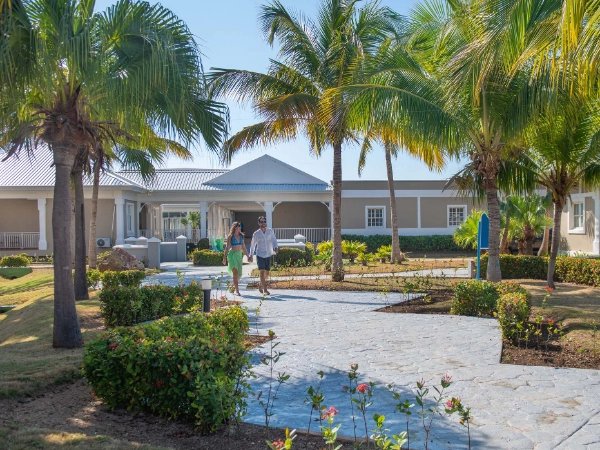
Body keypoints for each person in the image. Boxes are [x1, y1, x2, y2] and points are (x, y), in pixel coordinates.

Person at [250, 216, 278, 295]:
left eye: (264, 222)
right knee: (262, 271)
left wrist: (276, 247)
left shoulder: (270, 231)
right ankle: (265, 289)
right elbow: (252, 245)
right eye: (261, 222)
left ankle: (260, 285)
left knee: (267, 273)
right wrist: (251, 255)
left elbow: (274, 240)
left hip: (268, 254)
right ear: (259, 223)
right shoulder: (256, 234)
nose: (263, 223)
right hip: (260, 254)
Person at [222, 221, 251, 296]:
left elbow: (243, 247)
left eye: (240, 226)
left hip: (239, 256)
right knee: (235, 273)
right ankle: (237, 291)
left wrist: (248, 256)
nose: (240, 228)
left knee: (238, 275)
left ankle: (232, 286)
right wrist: (224, 258)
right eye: (239, 226)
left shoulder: (241, 236)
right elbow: (227, 247)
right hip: (232, 256)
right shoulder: (230, 236)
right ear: (235, 227)